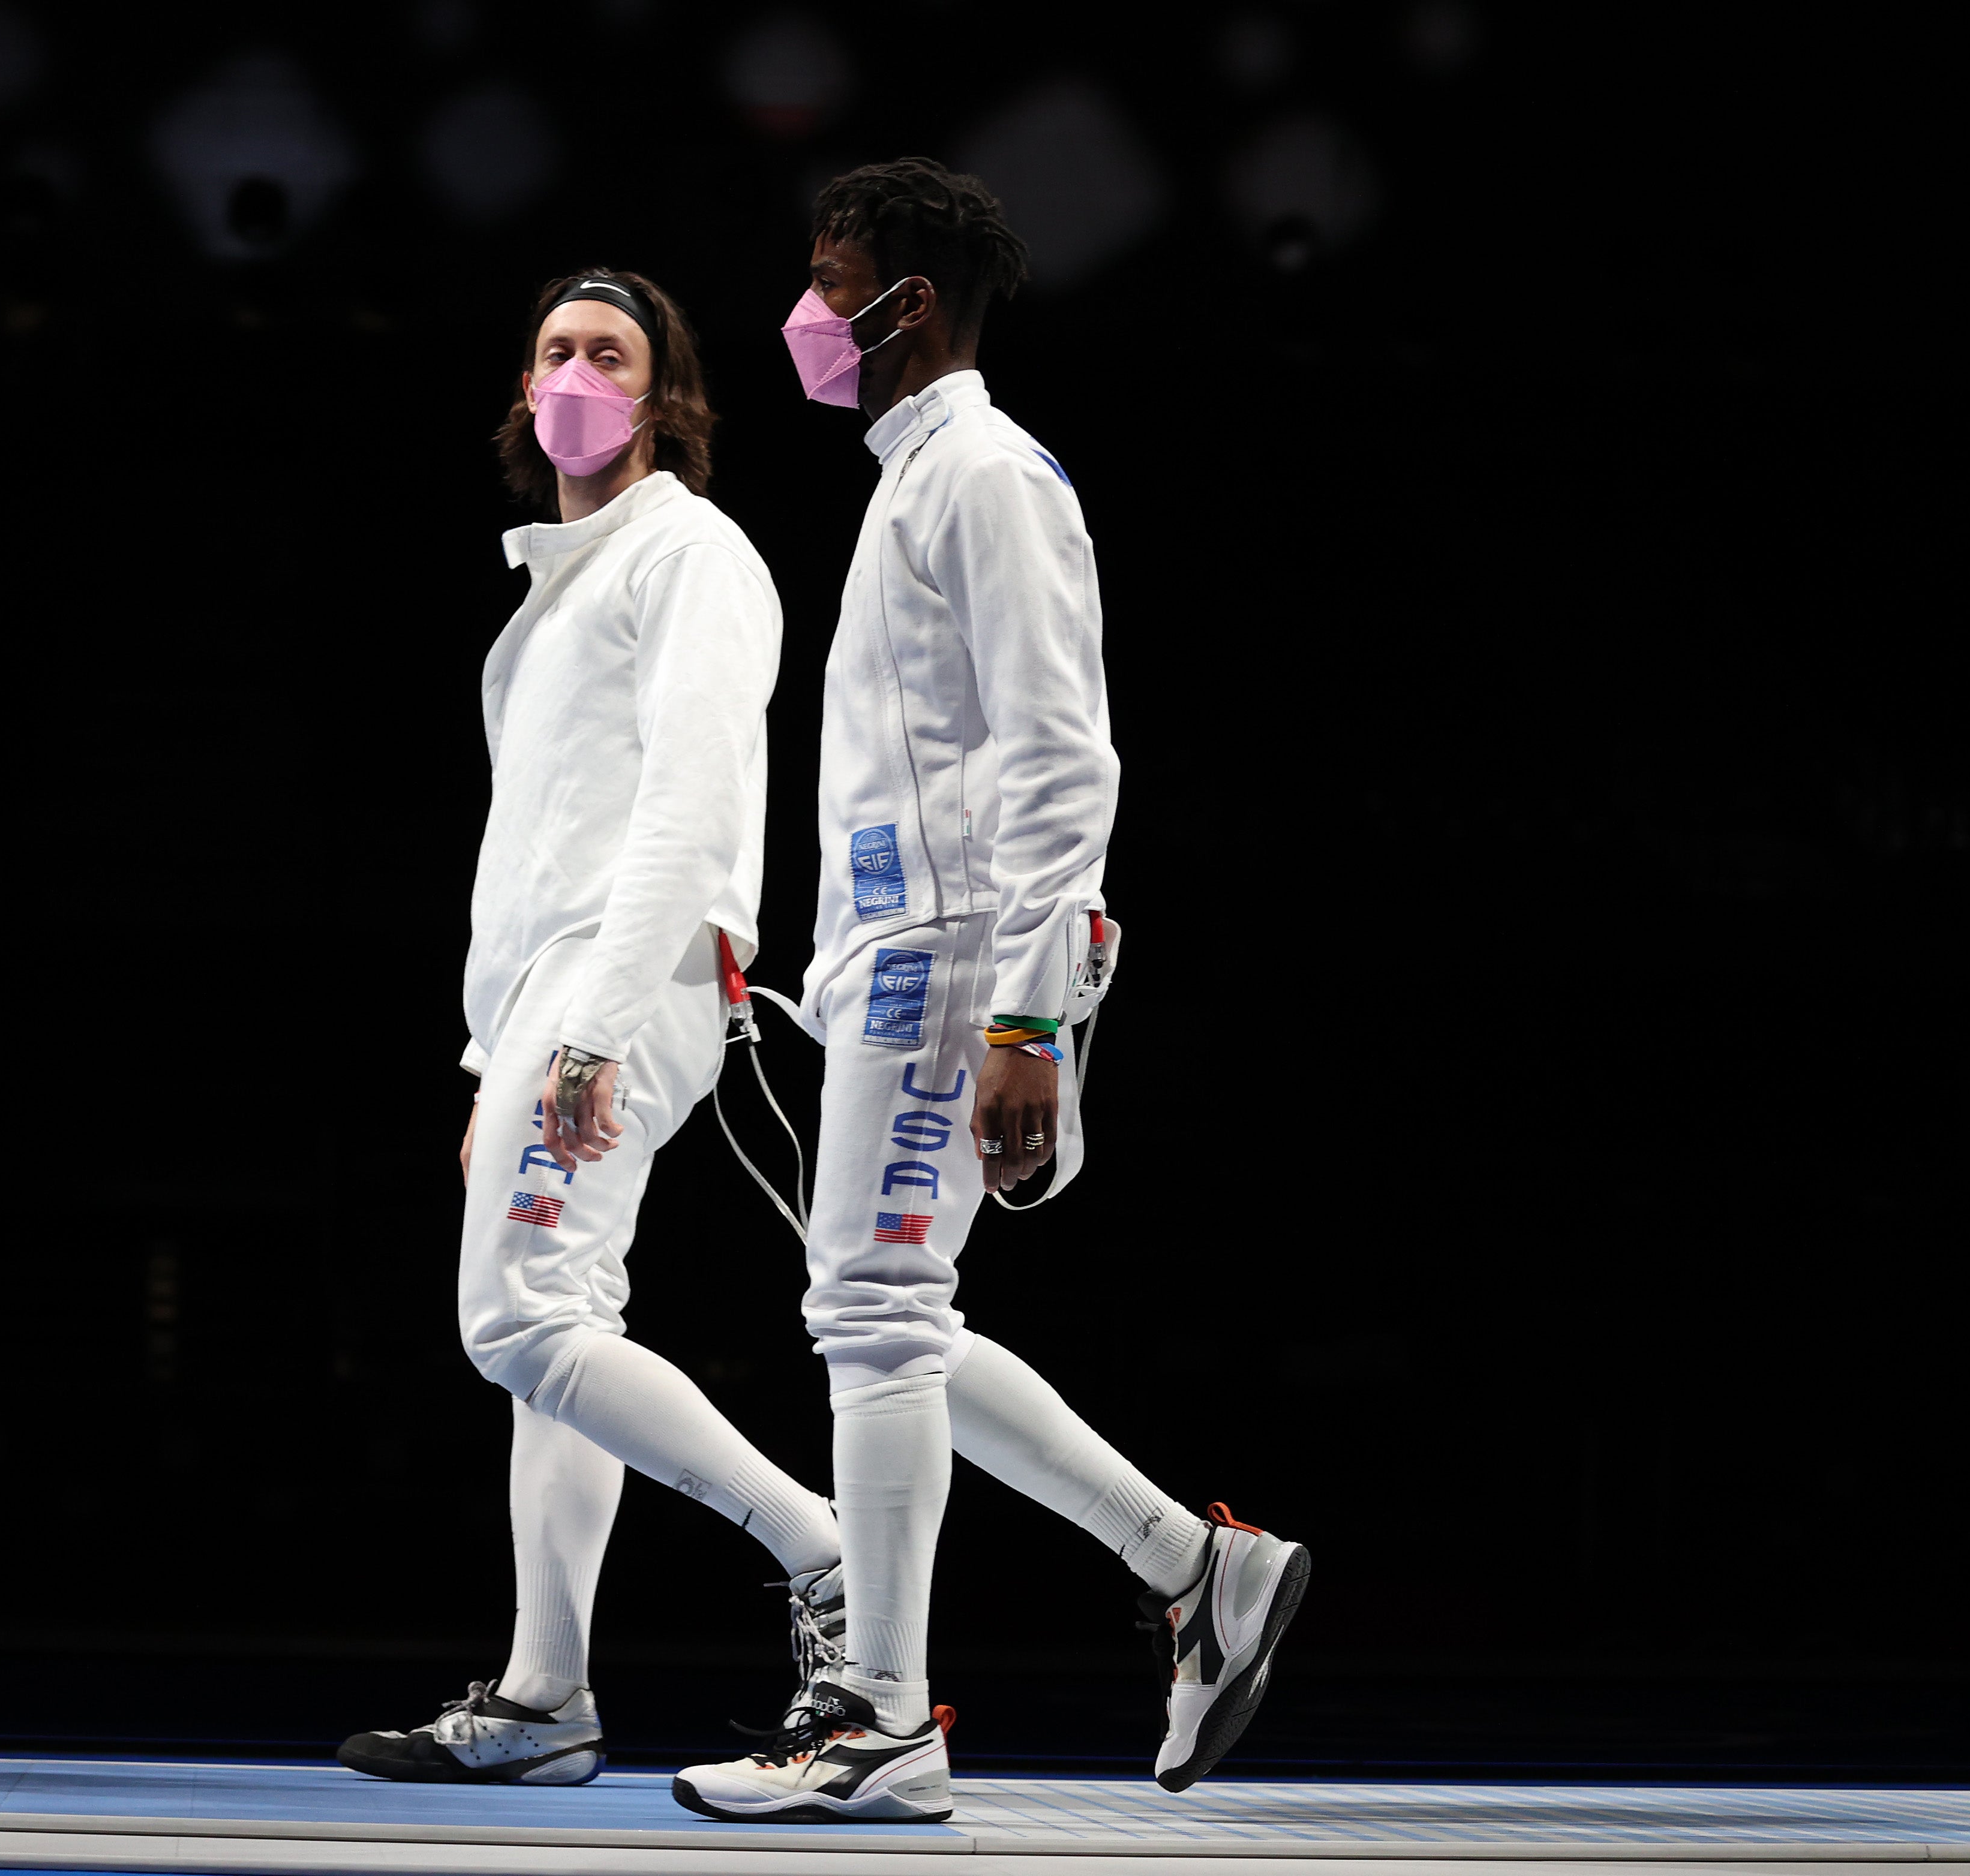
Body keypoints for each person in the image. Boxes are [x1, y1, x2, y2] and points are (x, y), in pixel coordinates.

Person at [674, 163, 1311, 1825]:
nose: (809, 315)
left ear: (915, 303)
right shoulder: (912, 483)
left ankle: (881, 1719)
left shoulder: (988, 479)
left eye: (834, 281)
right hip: (905, 955)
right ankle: (1194, 1567)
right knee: (888, 1317)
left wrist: (1025, 1017)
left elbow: (1056, 756)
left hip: (961, 961)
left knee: (872, 1318)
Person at [337, 269, 845, 1788]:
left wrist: (593, 1030)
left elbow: (685, 811)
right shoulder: (554, 595)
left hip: (631, 978)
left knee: (518, 1317)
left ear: (662, 395)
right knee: (554, 1333)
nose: (573, 369)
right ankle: (545, 1694)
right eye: (553, 349)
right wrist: (506, 1054)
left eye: (606, 352)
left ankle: (830, 1558)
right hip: (549, 997)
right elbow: (539, 851)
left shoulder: (689, 550)